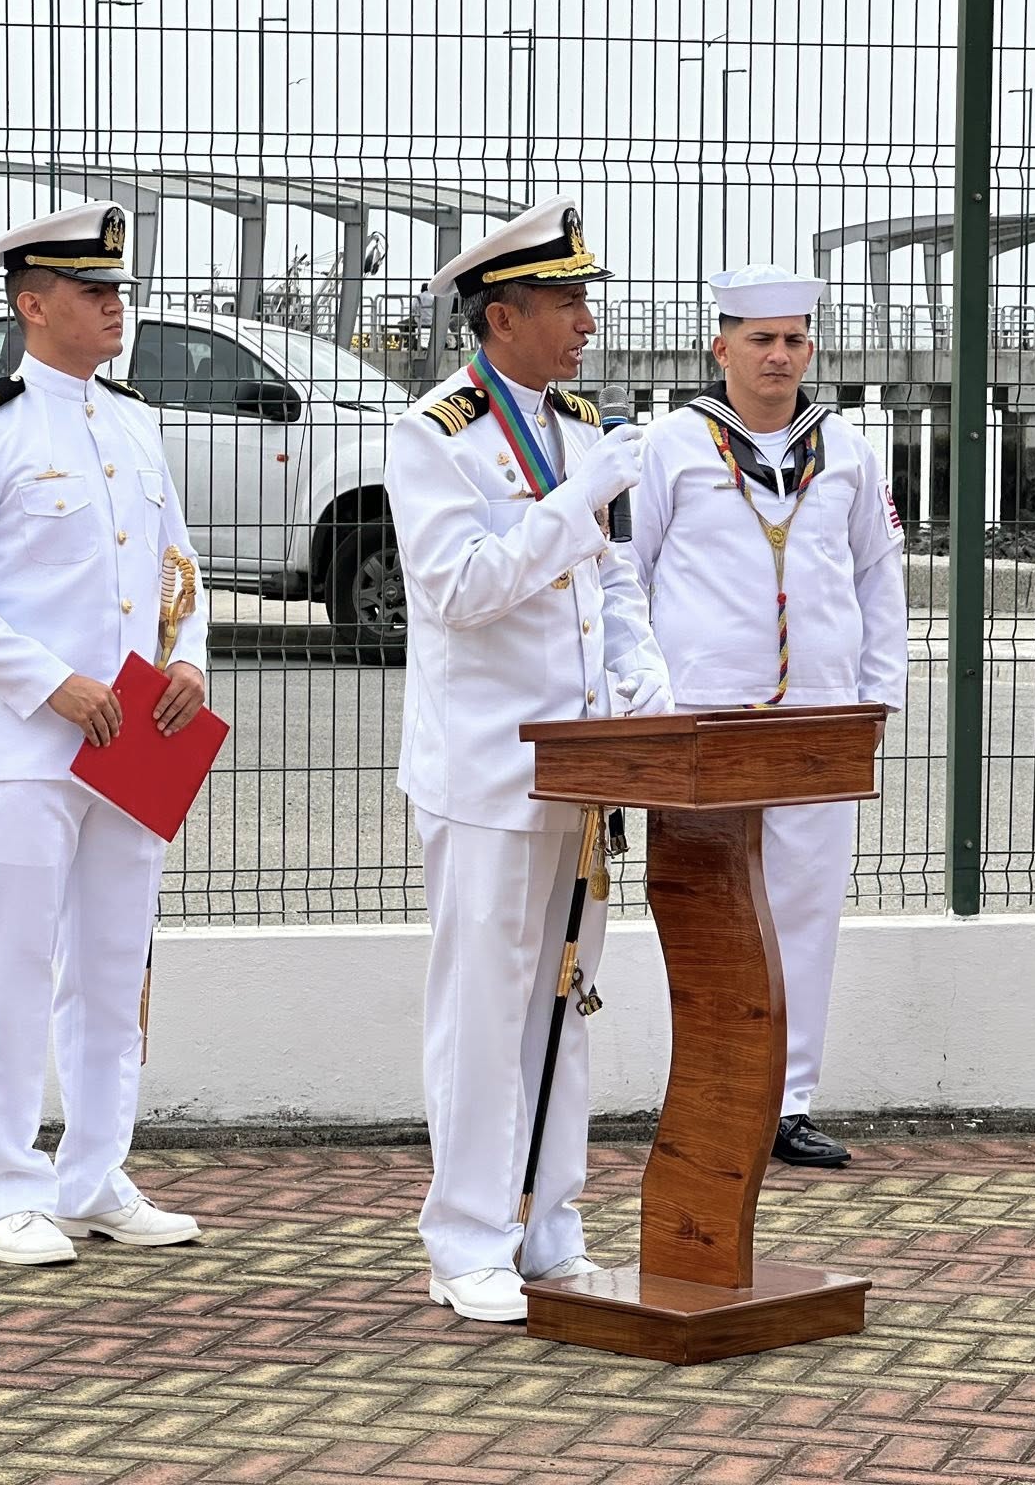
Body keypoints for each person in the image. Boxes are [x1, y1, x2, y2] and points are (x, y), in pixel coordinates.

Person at [0, 201, 210, 1265]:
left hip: (135, 741)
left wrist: (189, 656)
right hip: (24, 745)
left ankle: (94, 1175)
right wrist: (51, 685)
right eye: (93, 290)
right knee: (18, 965)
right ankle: (7, 1189)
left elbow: (176, 566)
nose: (116, 305)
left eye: (118, 288)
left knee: (115, 966)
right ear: (32, 306)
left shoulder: (131, 421)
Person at [388, 195, 673, 1322]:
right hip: (490, 772)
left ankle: (550, 1224)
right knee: (483, 1009)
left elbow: (609, 580)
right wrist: (573, 503)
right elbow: (458, 589)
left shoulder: (578, 422)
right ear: (501, 316)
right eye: (564, 301)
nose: (586, 321)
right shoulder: (436, 433)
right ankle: (465, 1240)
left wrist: (644, 681)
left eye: (584, 299)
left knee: (566, 998)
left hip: (586, 769)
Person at [625, 264, 909, 1168]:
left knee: (806, 909)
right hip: (705, 713)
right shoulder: (673, 444)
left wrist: (877, 696)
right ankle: (712, 1089)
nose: (779, 355)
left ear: (810, 349)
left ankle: (787, 1103)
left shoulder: (847, 450)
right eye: (760, 339)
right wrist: (643, 696)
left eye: (793, 340)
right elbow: (629, 572)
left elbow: (879, 578)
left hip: (819, 716)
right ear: (722, 347)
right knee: (707, 907)